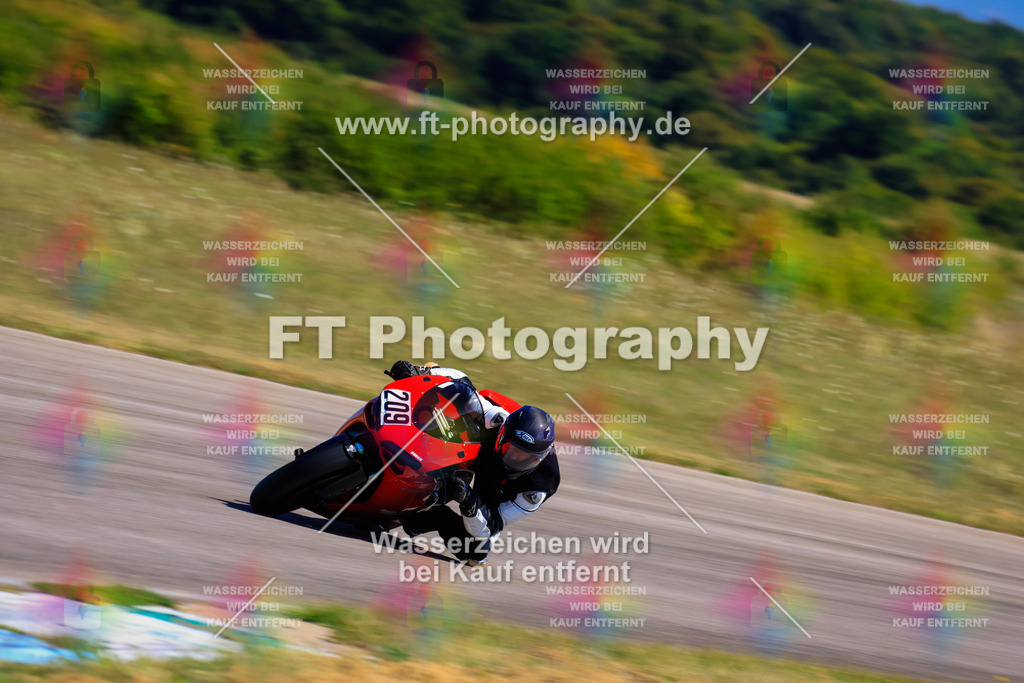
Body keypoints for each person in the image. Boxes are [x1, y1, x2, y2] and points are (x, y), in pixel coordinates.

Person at [384, 360, 560, 565]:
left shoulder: (540, 486)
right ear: (503, 435)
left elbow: (494, 523)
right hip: (484, 450)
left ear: (540, 458)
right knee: (449, 411)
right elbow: (463, 384)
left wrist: (469, 502)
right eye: (511, 449)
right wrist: (421, 373)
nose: (515, 459)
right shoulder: (497, 420)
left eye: (526, 458)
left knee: (476, 553)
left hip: (496, 493)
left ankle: (422, 516)